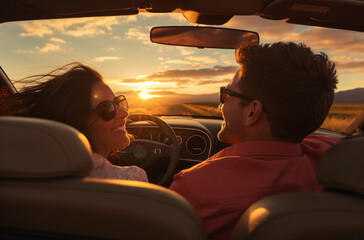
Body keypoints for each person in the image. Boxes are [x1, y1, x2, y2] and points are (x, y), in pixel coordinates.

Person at [169, 42, 341, 240]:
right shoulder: (335, 159)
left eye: (227, 95)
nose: (220, 105)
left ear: (252, 112)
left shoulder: (193, 187)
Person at [1, 63, 148, 182]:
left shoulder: (20, 178)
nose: (124, 113)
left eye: (118, 102)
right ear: (78, 122)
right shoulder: (132, 179)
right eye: (108, 109)